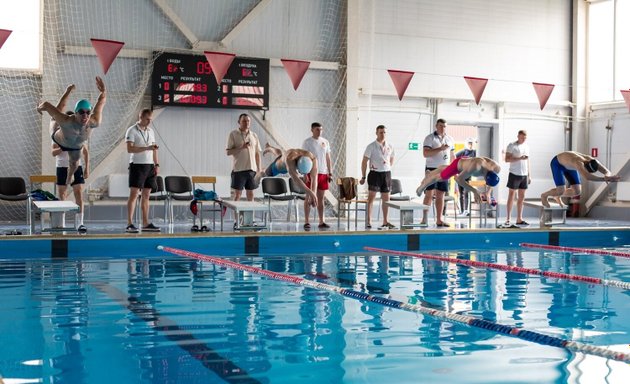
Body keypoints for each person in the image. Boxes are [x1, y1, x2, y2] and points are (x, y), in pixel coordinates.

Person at [37, 77, 106, 185]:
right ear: (75, 113)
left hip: (75, 146)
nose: (85, 115)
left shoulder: (94, 122)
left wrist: (103, 91)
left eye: (88, 112)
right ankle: (68, 90)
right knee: (57, 113)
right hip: (59, 138)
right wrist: (39, 108)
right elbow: (46, 104)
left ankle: (69, 178)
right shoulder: (66, 121)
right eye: (81, 112)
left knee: (74, 164)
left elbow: (101, 102)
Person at [49, 85, 89, 232]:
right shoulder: (58, 135)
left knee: (78, 192)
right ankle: (62, 223)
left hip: (76, 166)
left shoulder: (79, 134)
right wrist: (64, 147)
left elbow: (85, 151)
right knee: (62, 194)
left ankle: (80, 222)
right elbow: (53, 153)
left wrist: (87, 168)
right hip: (62, 167)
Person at [540, 151, 621, 207]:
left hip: (569, 166)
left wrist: (607, 176)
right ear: (585, 165)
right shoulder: (578, 162)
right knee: (561, 190)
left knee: (577, 191)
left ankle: (557, 196)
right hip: (558, 164)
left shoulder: (594, 161)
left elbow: (607, 171)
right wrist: (604, 179)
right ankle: (544, 195)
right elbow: (587, 177)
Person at [124, 109, 160, 233]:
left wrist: (156, 164)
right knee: (134, 194)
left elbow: (154, 149)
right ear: (140, 117)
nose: (149, 122)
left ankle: (145, 223)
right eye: (147, 119)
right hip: (137, 166)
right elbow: (130, 149)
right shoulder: (132, 130)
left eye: (151, 119)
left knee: (146, 195)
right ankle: (129, 223)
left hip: (149, 166)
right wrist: (147, 148)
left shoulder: (151, 131)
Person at [415, 157, 501, 207]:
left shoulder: (496, 168)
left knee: (447, 170)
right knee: (441, 178)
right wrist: (474, 191)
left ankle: (430, 173)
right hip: (458, 165)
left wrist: (488, 193)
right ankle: (421, 187)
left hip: (467, 162)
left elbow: (490, 184)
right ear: (486, 178)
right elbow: (458, 179)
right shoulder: (476, 167)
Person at [255, 144, 318, 208]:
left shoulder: (312, 158)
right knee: (265, 173)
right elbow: (296, 180)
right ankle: (260, 172)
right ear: (297, 164)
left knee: (280, 154)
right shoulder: (290, 160)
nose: (301, 174)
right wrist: (310, 193)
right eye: (300, 172)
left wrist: (314, 194)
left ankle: (270, 148)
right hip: (278, 167)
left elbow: (314, 178)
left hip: (284, 157)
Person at [360, 125, 396, 230]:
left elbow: (392, 158)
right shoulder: (371, 146)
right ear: (376, 133)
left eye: (384, 132)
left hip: (386, 174)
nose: (383, 134)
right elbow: (364, 162)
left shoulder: (390, 146)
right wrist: (363, 175)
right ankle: (369, 220)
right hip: (375, 174)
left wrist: (387, 166)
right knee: (371, 198)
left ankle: (385, 221)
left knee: (386, 199)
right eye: (381, 132)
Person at [420, 118, 455, 227]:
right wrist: (440, 148)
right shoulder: (430, 138)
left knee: (441, 195)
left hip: (445, 170)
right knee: (429, 194)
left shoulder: (449, 139)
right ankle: (424, 219)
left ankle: (439, 219)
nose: (442, 128)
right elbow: (425, 153)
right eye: (440, 126)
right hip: (432, 169)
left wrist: (454, 168)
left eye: (444, 126)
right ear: (436, 126)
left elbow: (452, 156)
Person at [301, 122, 333, 230]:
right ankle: (306, 221)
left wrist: (330, 172)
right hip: (311, 172)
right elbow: (304, 159)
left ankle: (321, 221)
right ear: (312, 130)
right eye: (317, 130)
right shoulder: (307, 142)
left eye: (321, 130)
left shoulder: (325, 142)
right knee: (309, 197)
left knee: (321, 198)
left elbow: (328, 158)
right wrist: (305, 173)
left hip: (323, 173)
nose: (319, 131)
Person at [226, 113, 262, 202]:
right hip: (239, 170)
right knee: (237, 195)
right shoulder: (233, 134)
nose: (246, 123)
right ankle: (236, 216)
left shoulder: (254, 135)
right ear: (239, 122)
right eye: (244, 121)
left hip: (252, 170)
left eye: (248, 121)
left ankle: (251, 216)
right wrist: (241, 147)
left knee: (251, 194)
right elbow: (228, 152)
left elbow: (257, 153)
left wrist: (259, 169)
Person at [504, 130, 530, 226]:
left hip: (524, 174)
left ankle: (519, 218)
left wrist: (529, 174)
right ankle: (508, 219)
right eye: (522, 137)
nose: (523, 139)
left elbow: (528, 161)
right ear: (518, 136)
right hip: (514, 173)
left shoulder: (527, 146)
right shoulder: (512, 145)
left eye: (525, 138)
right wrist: (519, 158)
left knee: (522, 197)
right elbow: (506, 159)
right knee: (511, 195)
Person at [455, 137, 477, 214]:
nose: (470, 145)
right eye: (469, 143)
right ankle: (461, 211)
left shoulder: (475, 153)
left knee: (466, 192)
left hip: (468, 176)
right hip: (460, 175)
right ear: (466, 144)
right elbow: (453, 158)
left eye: (471, 143)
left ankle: (466, 210)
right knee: (461, 193)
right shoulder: (462, 152)